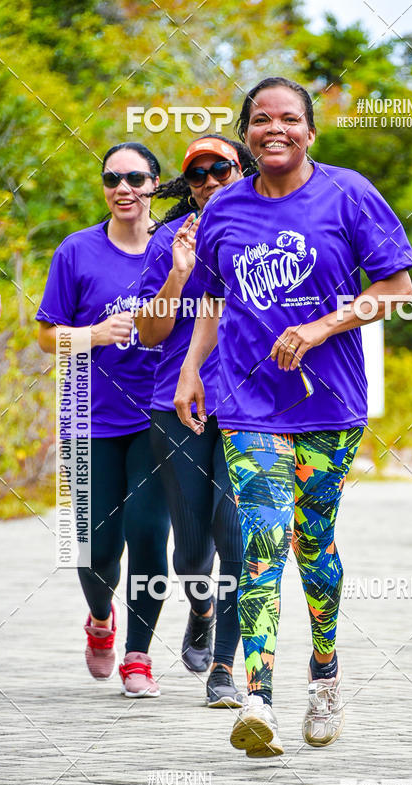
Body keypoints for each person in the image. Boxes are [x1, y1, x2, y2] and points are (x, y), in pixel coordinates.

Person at [174, 77, 412, 757]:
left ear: (310, 131)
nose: (273, 129)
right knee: (262, 538)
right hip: (246, 402)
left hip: (329, 403)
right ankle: (258, 699)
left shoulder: (348, 193)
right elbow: (213, 303)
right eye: (259, 120)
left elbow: (395, 287)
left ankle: (327, 673)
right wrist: (193, 369)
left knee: (313, 544)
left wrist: (320, 326)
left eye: (288, 119)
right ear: (247, 133)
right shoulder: (224, 210)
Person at [36, 142, 171, 698]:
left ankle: (138, 655)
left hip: (156, 412)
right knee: (93, 547)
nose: (123, 188)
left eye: (135, 178)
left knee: (147, 535)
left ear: (155, 184)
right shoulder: (77, 251)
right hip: (86, 413)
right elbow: (47, 336)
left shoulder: (174, 247)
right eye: (112, 178)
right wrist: (90, 336)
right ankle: (99, 620)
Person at [135, 135, 255, 708]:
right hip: (175, 404)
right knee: (190, 552)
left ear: (241, 169)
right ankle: (201, 608)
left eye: (220, 169)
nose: (209, 181)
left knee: (236, 535)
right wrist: (180, 272)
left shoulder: (268, 232)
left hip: (250, 404)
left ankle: (225, 671)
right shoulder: (168, 239)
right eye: (198, 174)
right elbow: (151, 332)